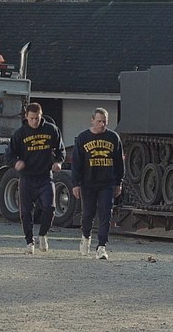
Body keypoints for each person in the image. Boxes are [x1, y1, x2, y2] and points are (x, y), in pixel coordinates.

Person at [6, 102, 65, 254]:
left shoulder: (51, 130)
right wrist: (16, 163)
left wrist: (58, 162)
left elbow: (61, 150)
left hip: (45, 176)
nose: (34, 121)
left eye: (37, 118)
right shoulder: (20, 134)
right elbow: (9, 155)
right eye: (31, 118)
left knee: (50, 207)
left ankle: (43, 234)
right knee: (26, 212)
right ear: (26, 117)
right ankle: (29, 242)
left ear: (41, 115)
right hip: (27, 177)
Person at [71, 108, 125, 260]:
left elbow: (119, 162)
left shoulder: (113, 137)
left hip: (107, 183)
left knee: (105, 213)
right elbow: (76, 162)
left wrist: (119, 182)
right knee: (88, 213)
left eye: (104, 122)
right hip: (88, 183)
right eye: (99, 121)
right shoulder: (83, 138)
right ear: (92, 120)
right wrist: (75, 183)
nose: (102, 124)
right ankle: (85, 237)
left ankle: (101, 246)